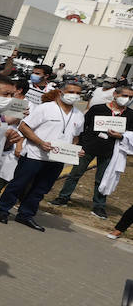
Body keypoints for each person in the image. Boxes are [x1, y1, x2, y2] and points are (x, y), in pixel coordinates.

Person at [0, 78, 85, 231]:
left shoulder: (78, 115)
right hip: (34, 154)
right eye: (70, 92)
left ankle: (25, 214)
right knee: (19, 184)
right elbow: (24, 126)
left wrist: (74, 150)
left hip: (57, 158)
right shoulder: (46, 108)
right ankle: (3, 210)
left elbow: (75, 137)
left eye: (77, 93)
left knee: (41, 189)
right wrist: (40, 142)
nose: (74, 95)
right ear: (62, 92)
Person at [53, 84, 131, 219]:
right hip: (88, 147)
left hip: (111, 151)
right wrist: (80, 145)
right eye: (124, 96)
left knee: (102, 179)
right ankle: (63, 197)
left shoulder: (130, 115)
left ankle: (99, 206)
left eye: (130, 97)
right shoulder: (97, 109)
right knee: (75, 173)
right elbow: (84, 126)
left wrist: (121, 136)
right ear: (115, 95)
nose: (127, 99)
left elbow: (130, 134)